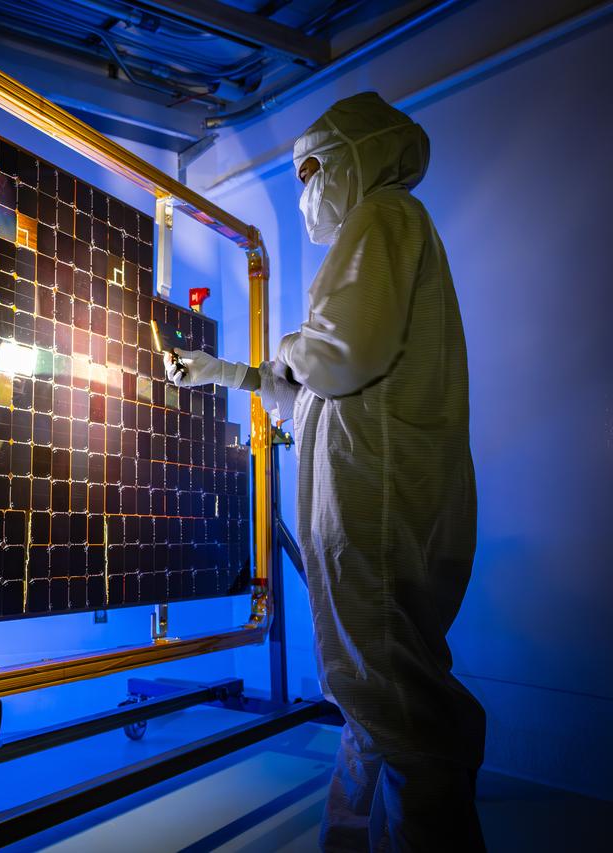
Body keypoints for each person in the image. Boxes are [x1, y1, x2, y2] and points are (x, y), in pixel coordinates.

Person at [165, 91, 486, 851]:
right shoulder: (392, 232)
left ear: (358, 156)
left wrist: (284, 348)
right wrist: (223, 372)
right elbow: (314, 391)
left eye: (312, 170)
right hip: (384, 496)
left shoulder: (385, 215)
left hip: (372, 504)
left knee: (393, 703)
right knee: (375, 697)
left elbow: (339, 357)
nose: (306, 189)